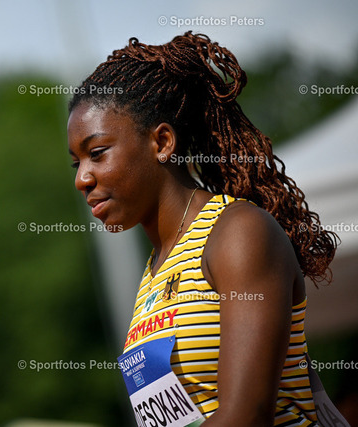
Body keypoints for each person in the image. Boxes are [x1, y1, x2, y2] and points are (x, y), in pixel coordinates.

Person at [67, 32, 341, 426]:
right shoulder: (153, 273)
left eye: (96, 154)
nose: (82, 179)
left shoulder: (238, 233)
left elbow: (245, 417)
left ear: (162, 142)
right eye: (76, 163)